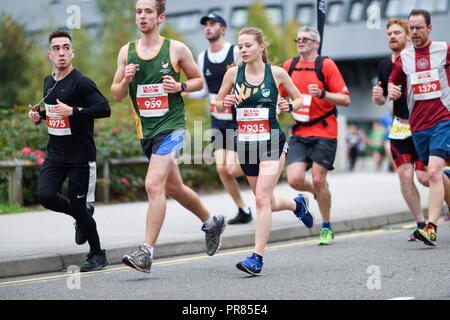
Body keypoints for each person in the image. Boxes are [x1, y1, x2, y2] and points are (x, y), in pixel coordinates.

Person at [110, 0, 225, 273]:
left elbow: (199, 81)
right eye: (138, 11)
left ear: (160, 17)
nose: (142, 16)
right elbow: (116, 94)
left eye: (148, 11)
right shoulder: (126, 52)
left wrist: (180, 85)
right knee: (173, 188)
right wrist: (125, 80)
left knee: (153, 185)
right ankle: (212, 223)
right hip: (146, 131)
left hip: (172, 126)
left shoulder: (176, 49)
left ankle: (146, 253)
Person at [215, 27, 313, 276]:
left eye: (247, 45)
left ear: (261, 47)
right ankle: (296, 204)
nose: (243, 50)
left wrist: (288, 105)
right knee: (266, 200)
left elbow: (300, 99)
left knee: (260, 200)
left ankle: (256, 258)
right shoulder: (233, 74)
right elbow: (217, 102)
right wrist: (224, 102)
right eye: (240, 46)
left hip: (272, 143)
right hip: (246, 145)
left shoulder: (277, 74)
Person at [27, 30, 111, 272]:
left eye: (66, 48)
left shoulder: (82, 82)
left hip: (79, 157)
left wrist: (75, 111)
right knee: (45, 195)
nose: (61, 52)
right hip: (55, 154)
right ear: (50, 54)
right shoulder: (48, 81)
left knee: (76, 205)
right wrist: (39, 116)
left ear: (73, 52)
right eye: (56, 48)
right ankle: (81, 214)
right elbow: (55, 112)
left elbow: (105, 109)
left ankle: (98, 254)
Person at [280, 26, 350, 245]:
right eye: (298, 38)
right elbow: (279, 97)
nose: (300, 42)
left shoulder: (326, 65)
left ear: (316, 43)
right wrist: (280, 106)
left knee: (318, 178)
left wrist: (322, 93)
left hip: (324, 129)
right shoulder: (289, 66)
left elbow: (345, 99)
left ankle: (326, 227)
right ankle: (321, 192)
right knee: (294, 179)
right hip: (300, 130)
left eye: (306, 39)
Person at [389, 9, 450, 246]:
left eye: (419, 28)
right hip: (418, 126)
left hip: (443, 120)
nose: (414, 32)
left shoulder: (444, 50)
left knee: (433, 172)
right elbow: (393, 81)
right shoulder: (404, 57)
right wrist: (392, 90)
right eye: (411, 28)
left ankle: (431, 228)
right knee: (431, 178)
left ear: (429, 28)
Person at [184, 12, 252, 224]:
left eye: (213, 24)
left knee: (233, 167)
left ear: (223, 29)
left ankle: (260, 165)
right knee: (222, 168)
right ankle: (244, 210)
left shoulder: (235, 52)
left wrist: (237, 97)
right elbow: (203, 90)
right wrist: (183, 90)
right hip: (218, 120)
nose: (208, 28)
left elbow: (249, 81)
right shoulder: (203, 57)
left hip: (238, 119)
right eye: (206, 25)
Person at [372, 18, 429, 241]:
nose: (392, 37)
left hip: (424, 125)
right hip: (400, 125)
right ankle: (421, 224)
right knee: (405, 175)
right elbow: (382, 98)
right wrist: (378, 98)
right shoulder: (385, 66)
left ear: (407, 36)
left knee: (425, 178)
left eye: (397, 33)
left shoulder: (418, 59)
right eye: (389, 34)